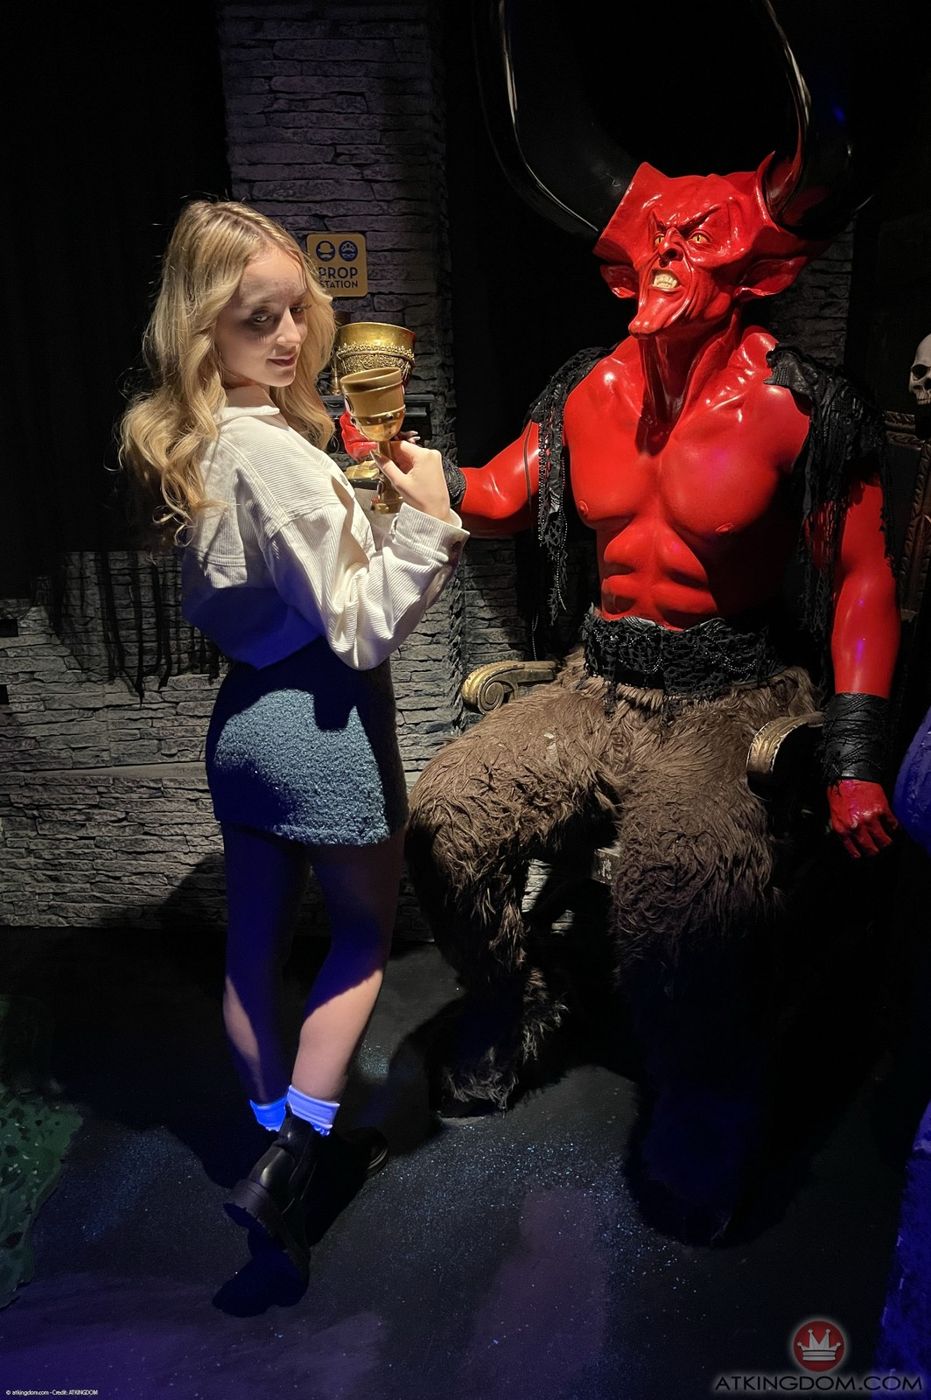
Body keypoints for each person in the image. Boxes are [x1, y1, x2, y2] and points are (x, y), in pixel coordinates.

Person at [344, 159, 901, 1237]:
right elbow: (498, 494)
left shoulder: (805, 408)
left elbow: (863, 579)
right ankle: (512, 1007)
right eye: (656, 236)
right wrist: (420, 469)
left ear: (755, 266)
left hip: (728, 693)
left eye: (697, 236)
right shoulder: (587, 390)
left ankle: (704, 1112)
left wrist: (854, 755)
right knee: (446, 818)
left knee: (681, 883)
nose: (668, 254)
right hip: (594, 681)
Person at [120, 199, 467, 1279]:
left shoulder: (208, 441)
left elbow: (286, 583)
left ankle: (270, 1128)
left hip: (244, 727)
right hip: (324, 720)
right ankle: (296, 1158)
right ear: (203, 332)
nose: (286, 335)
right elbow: (359, 627)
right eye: (253, 319)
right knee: (360, 943)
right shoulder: (273, 455)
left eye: (295, 309)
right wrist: (428, 517)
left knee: (251, 950)